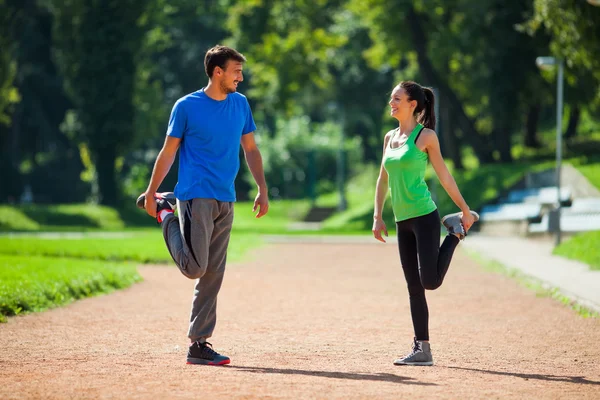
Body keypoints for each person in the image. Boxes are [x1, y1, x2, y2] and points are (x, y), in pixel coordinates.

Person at [137, 45, 269, 366]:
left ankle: (199, 344)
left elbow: (250, 148)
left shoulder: (240, 104)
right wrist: (152, 193)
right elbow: (169, 152)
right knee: (195, 268)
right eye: (236, 71)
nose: (241, 77)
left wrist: (262, 188)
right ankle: (167, 211)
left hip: (226, 197)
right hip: (196, 194)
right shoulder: (186, 106)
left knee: (213, 273)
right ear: (217, 72)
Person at [372, 81, 479, 366]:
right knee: (413, 287)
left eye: (397, 99)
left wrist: (464, 209)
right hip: (400, 220)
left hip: (424, 216)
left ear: (413, 104)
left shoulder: (426, 136)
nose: (391, 103)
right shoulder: (389, 137)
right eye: (391, 98)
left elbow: (444, 175)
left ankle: (455, 233)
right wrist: (377, 216)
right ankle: (423, 349)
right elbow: (383, 179)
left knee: (429, 281)